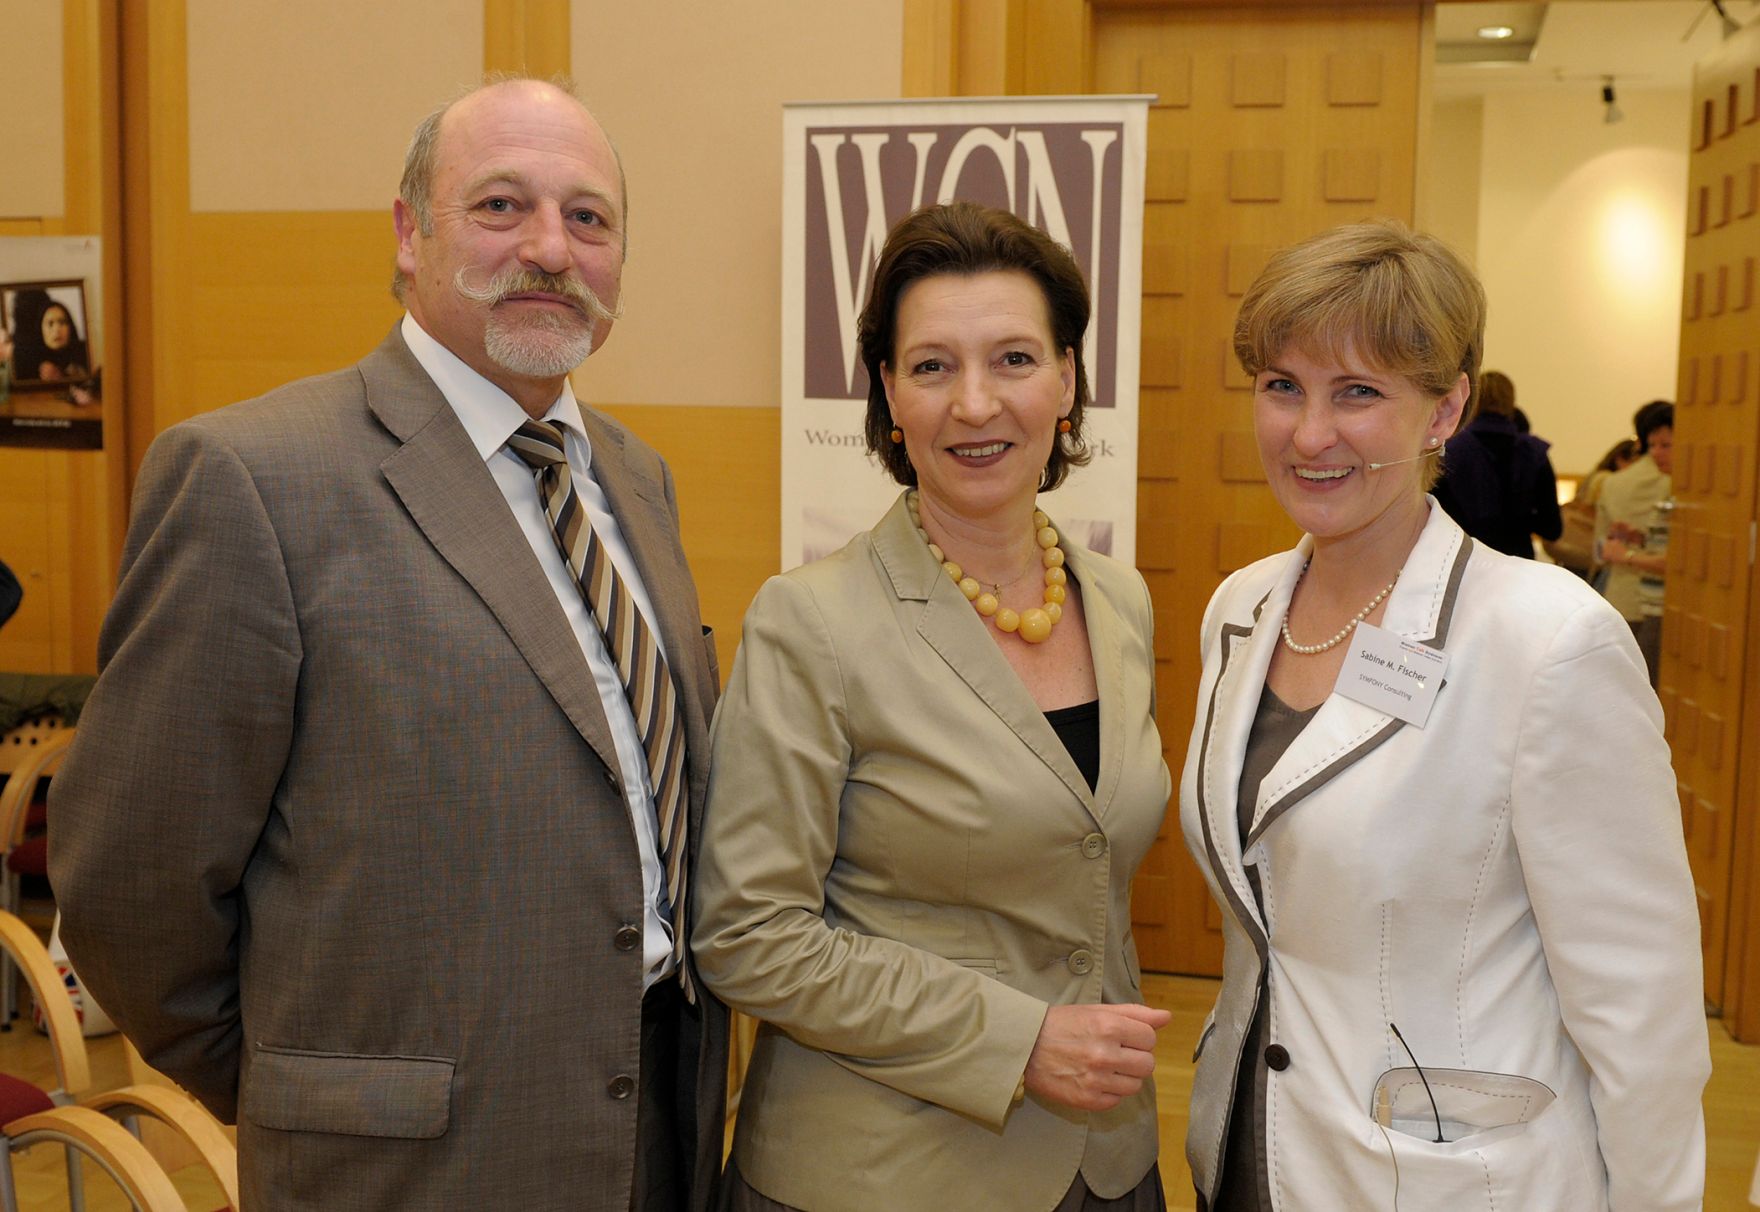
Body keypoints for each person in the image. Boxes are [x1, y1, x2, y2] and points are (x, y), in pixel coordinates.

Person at [49, 77, 727, 1211]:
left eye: (589, 218)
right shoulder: (252, 480)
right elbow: (130, 885)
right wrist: (297, 1085)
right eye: (501, 205)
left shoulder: (636, 478)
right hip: (403, 1166)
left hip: (652, 1121)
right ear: (409, 234)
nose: (551, 248)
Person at [1179, 220, 1707, 1211]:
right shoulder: (1240, 610)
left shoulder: (1547, 642)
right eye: (1281, 386)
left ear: (1444, 409)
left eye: (1358, 393)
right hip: (1251, 1145)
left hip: (1438, 1181)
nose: (1308, 433)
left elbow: (1638, 1007)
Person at [693, 202, 1172, 1211]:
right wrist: (1014, 1040)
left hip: (1108, 1162)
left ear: (1067, 381)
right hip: (882, 1176)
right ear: (886, 395)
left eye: (1010, 359)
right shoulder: (810, 622)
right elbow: (746, 932)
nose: (973, 404)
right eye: (930, 367)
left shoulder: (1117, 600)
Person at [1430, 369, 1562, 557]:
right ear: (1511, 402)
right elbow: (1552, 529)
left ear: (1472, 399)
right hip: (1518, 561)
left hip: (1463, 560)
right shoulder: (1534, 453)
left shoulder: (1450, 451)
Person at [1596, 401, 1674, 686]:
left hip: (1635, 599)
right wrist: (1637, 539)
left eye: (1665, 445)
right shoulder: (1676, 488)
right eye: (1654, 445)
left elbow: (1601, 549)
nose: (1657, 453)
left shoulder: (1613, 483)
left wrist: (1625, 553)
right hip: (1652, 602)